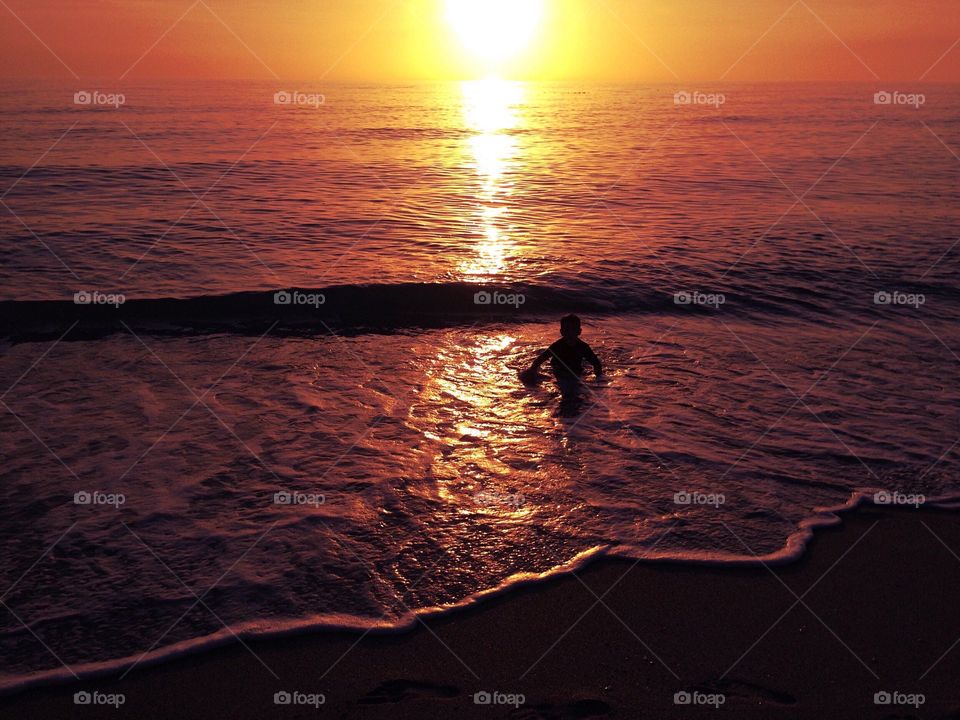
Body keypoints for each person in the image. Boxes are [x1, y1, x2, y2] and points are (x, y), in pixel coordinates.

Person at [522, 315, 603, 406]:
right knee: (564, 390)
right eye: (567, 330)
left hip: (575, 370)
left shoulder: (583, 347)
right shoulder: (557, 346)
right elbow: (542, 358)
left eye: (573, 329)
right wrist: (532, 370)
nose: (570, 333)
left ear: (579, 331)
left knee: (577, 391)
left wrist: (599, 377)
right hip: (558, 370)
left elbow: (596, 363)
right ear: (562, 332)